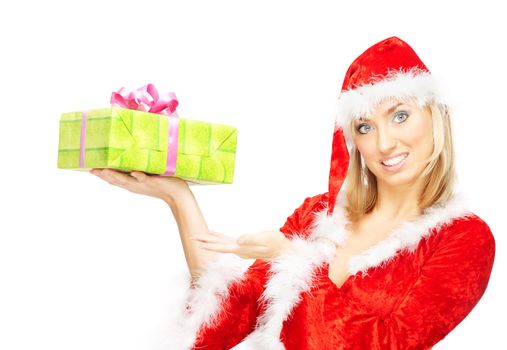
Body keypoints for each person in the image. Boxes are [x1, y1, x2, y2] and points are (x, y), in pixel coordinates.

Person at [91, 36, 496, 349]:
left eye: (400, 116)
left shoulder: (463, 240)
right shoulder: (316, 216)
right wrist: (179, 198)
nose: (385, 143)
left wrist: (290, 258)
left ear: (437, 115)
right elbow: (229, 317)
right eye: (365, 127)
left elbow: (387, 343)